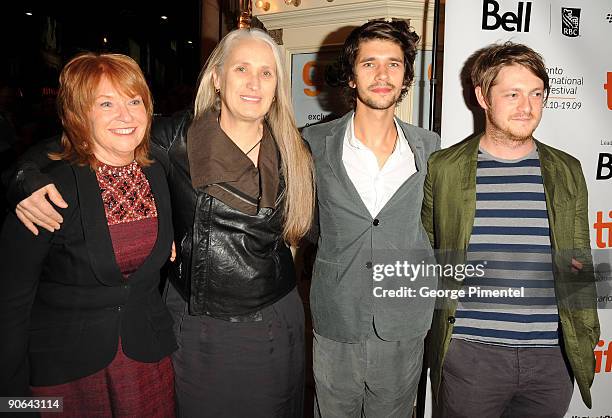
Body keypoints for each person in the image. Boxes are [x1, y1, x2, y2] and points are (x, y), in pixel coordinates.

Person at [4, 28, 315, 418]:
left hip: (281, 311)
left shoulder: (293, 145)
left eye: (266, 73)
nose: (254, 83)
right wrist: (22, 176)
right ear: (217, 78)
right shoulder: (175, 139)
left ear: (277, 85)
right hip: (206, 323)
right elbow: (93, 138)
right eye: (241, 69)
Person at [421, 42, 600, 417]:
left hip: (551, 360)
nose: (527, 106)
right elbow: (431, 252)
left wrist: (584, 338)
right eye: (513, 94)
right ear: (482, 97)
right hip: (471, 357)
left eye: (537, 94)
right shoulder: (445, 169)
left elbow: (577, 260)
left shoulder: (568, 170)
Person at [0, 53, 177, 417]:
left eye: (134, 101)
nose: (126, 116)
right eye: (106, 104)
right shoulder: (47, 189)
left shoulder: (156, 171)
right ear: (80, 115)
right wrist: (12, 399)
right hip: (65, 372)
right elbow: (10, 303)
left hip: (145, 358)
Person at [301, 20, 440, 417]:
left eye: (394, 64)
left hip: (405, 323)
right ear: (351, 74)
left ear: (406, 75)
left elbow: (436, 226)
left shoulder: (431, 150)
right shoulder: (312, 144)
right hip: (336, 319)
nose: (382, 75)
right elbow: (304, 221)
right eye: (369, 64)